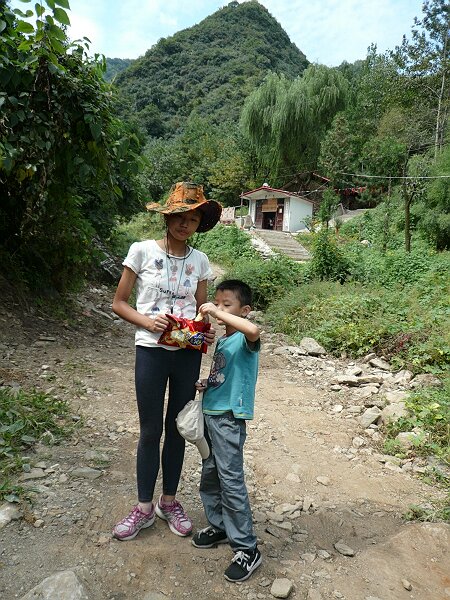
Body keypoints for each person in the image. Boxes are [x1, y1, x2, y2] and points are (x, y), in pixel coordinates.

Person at [112, 181, 222, 541]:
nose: (184, 223)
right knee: (150, 430)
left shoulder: (200, 261)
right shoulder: (142, 251)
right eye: (179, 216)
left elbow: (202, 311)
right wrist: (147, 321)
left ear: (198, 223)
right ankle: (143, 507)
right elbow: (120, 303)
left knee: (178, 429)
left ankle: (169, 502)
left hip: (187, 354)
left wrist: (206, 331)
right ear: (168, 217)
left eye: (192, 218)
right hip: (150, 351)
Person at [192, 279, 262, 583]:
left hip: (229, 419)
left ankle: (247, 548)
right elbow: (224, 373)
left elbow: (254, 330)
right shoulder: (223, 340)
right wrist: (209, 384)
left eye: (226, 305)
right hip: (211, 413)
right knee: (210, 474)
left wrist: (216, 313)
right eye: (216, 304)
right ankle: (219, 525)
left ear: (244, 310)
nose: (219, 310)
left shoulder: (245, 338)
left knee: (231, 480)